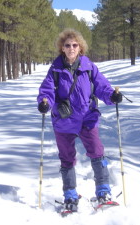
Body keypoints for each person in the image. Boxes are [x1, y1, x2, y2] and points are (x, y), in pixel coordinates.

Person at [37, 28, 122, 212]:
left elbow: (102, 87)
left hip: (87, 119)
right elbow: (47, 92)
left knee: (97, 152)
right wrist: (45, 103)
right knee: (66, 158)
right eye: (67, 45)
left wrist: (111, 96)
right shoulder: (56, 69)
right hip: (64, 121)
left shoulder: (89, 67)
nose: (71, 48)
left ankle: (103, 190)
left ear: (80, 47)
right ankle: (70, 194)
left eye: (75, 45)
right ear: (62, 48)